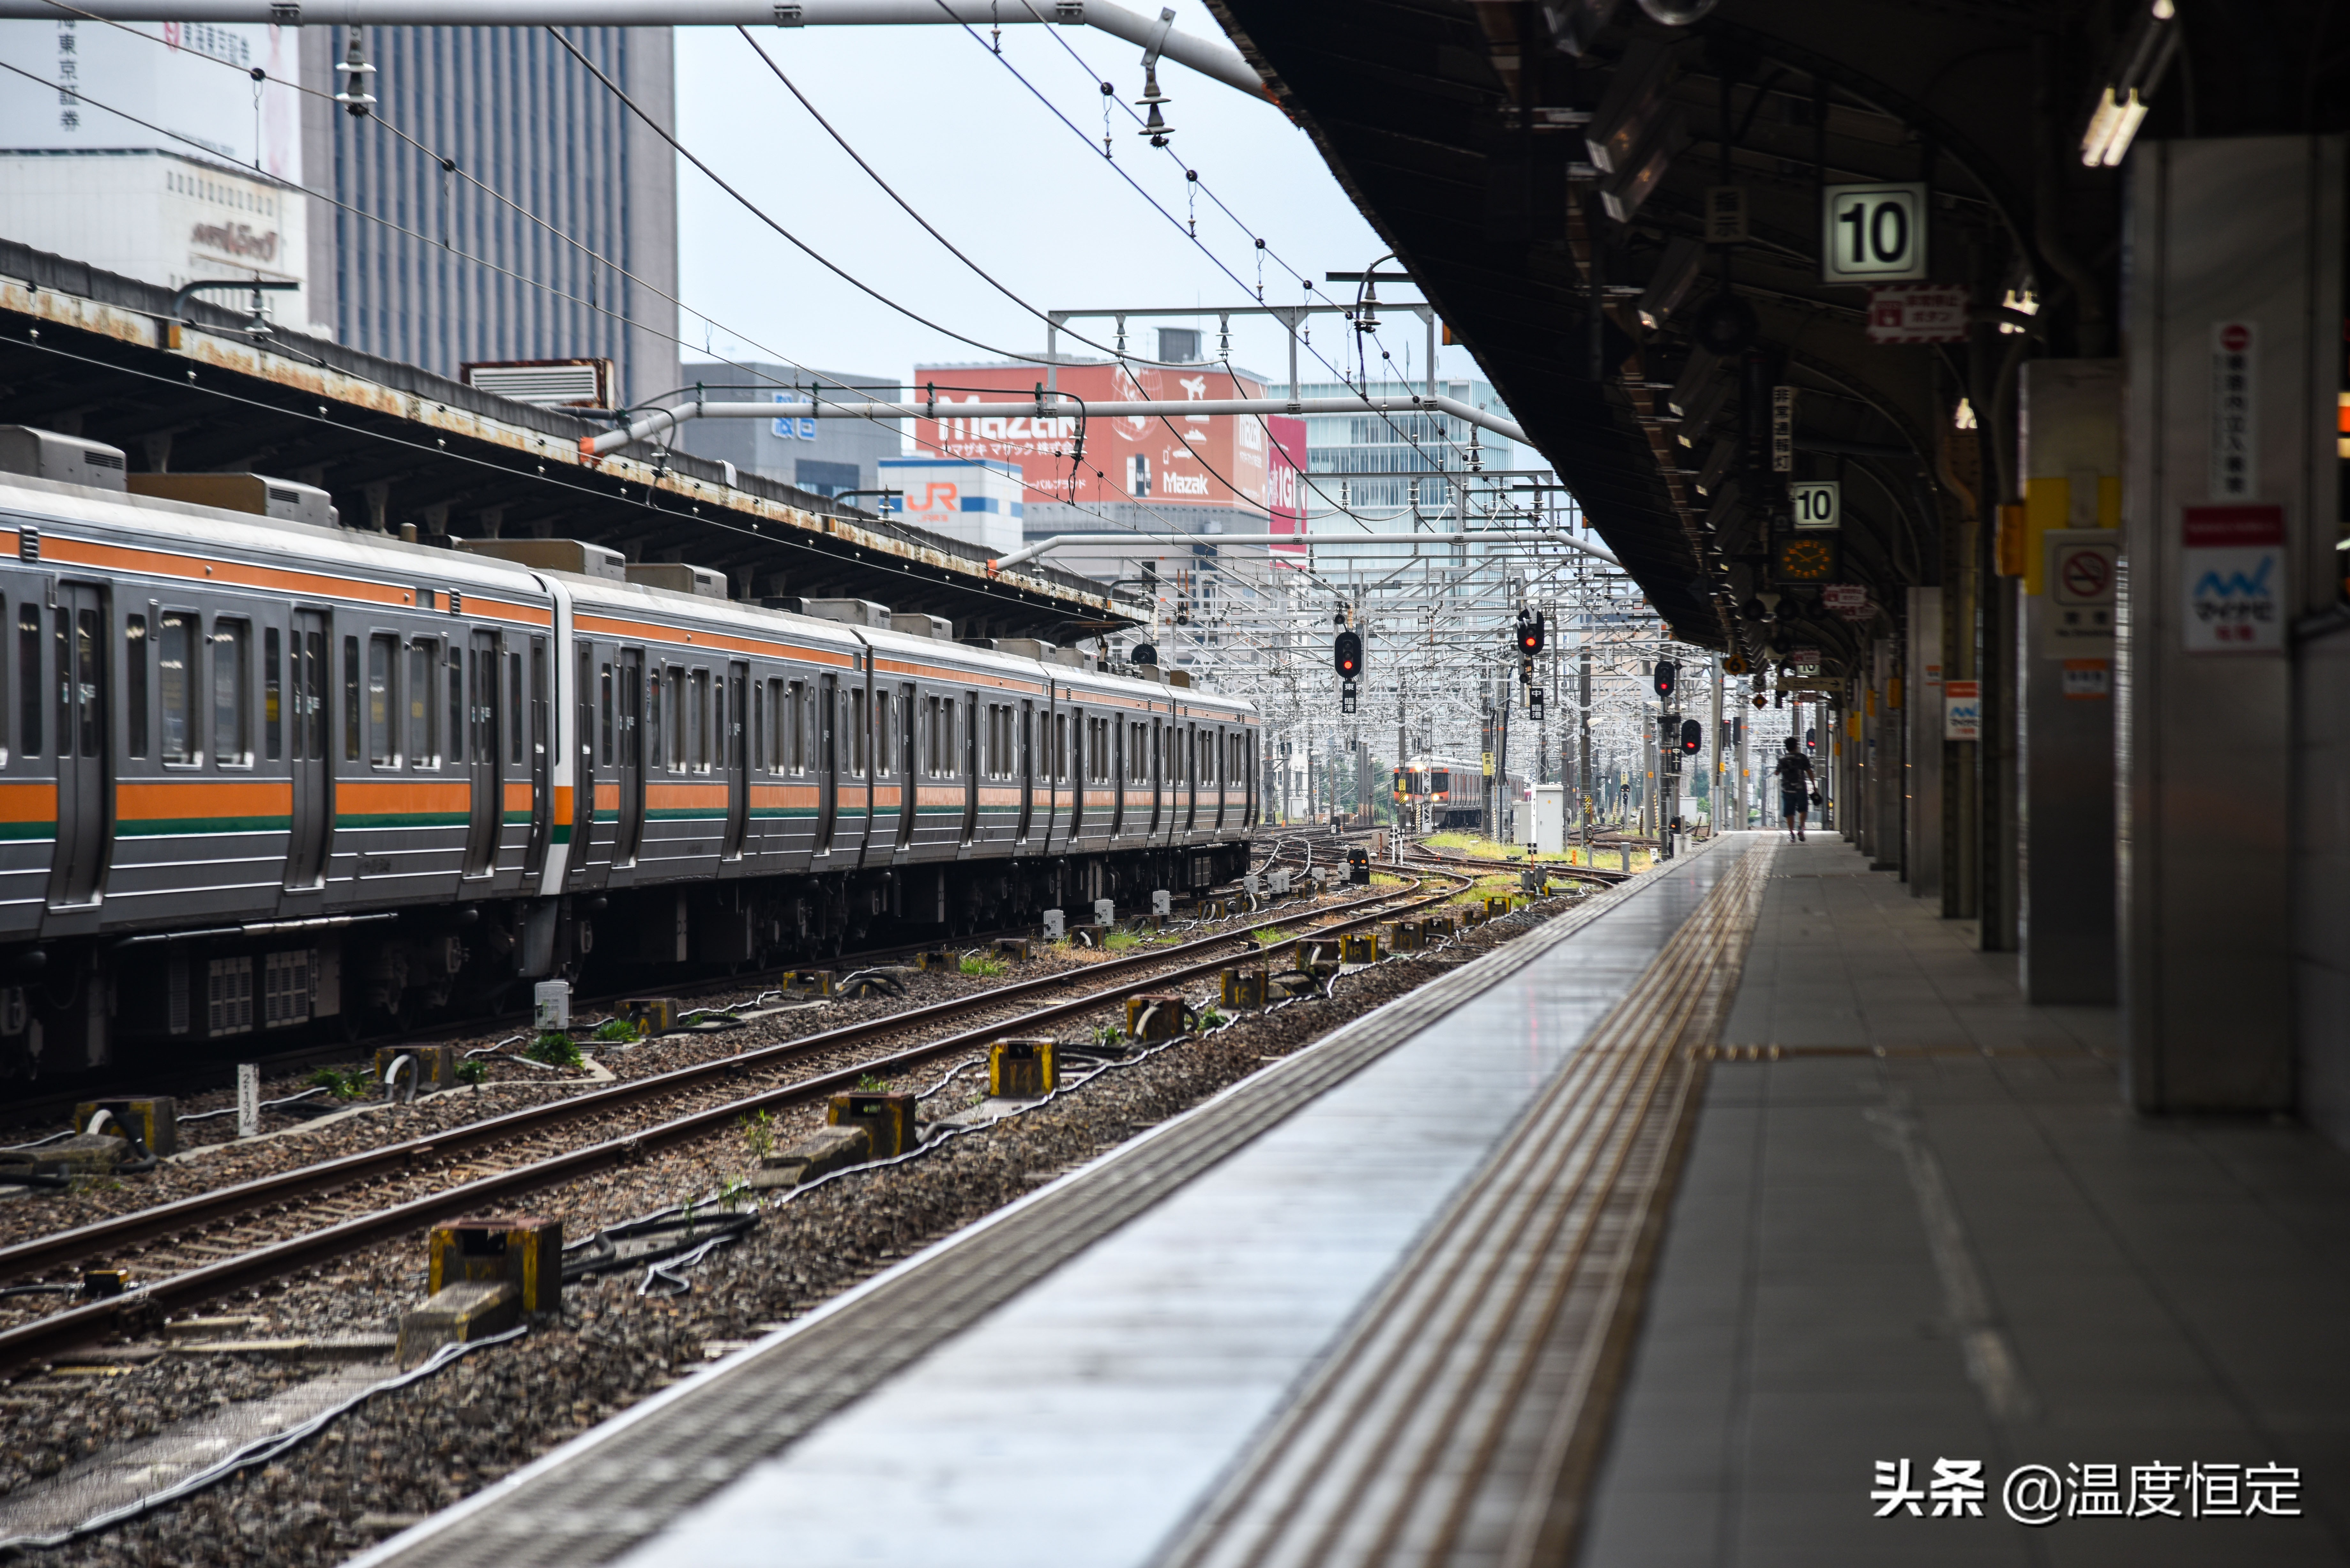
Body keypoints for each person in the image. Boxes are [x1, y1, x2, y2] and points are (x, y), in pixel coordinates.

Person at [1775, 737, 1815, 842]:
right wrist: (1814, 785)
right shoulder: (1802, 758)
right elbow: (1810, 772)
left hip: (1787, 789)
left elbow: (1777, 773)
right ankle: (1801, 828)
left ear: (1787, 747)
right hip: (1800, 788)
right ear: (1796, 746)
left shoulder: (1783, 759)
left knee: (1790, 812)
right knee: (1803, 809)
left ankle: (1792, 834)